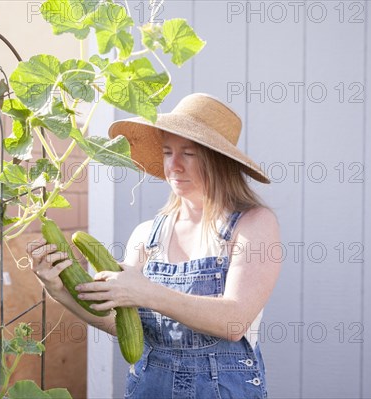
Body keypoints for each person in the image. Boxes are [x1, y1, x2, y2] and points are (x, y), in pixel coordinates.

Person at [26, 93, 281, 398]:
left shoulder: (254, 225)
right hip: (150, 387)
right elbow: (121, 322)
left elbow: (234, 321)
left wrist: (145, 291)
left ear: (219, 161)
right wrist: (59, 291)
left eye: (189, 153)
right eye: (167, 151)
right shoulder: (148, 235)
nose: (173, 165)